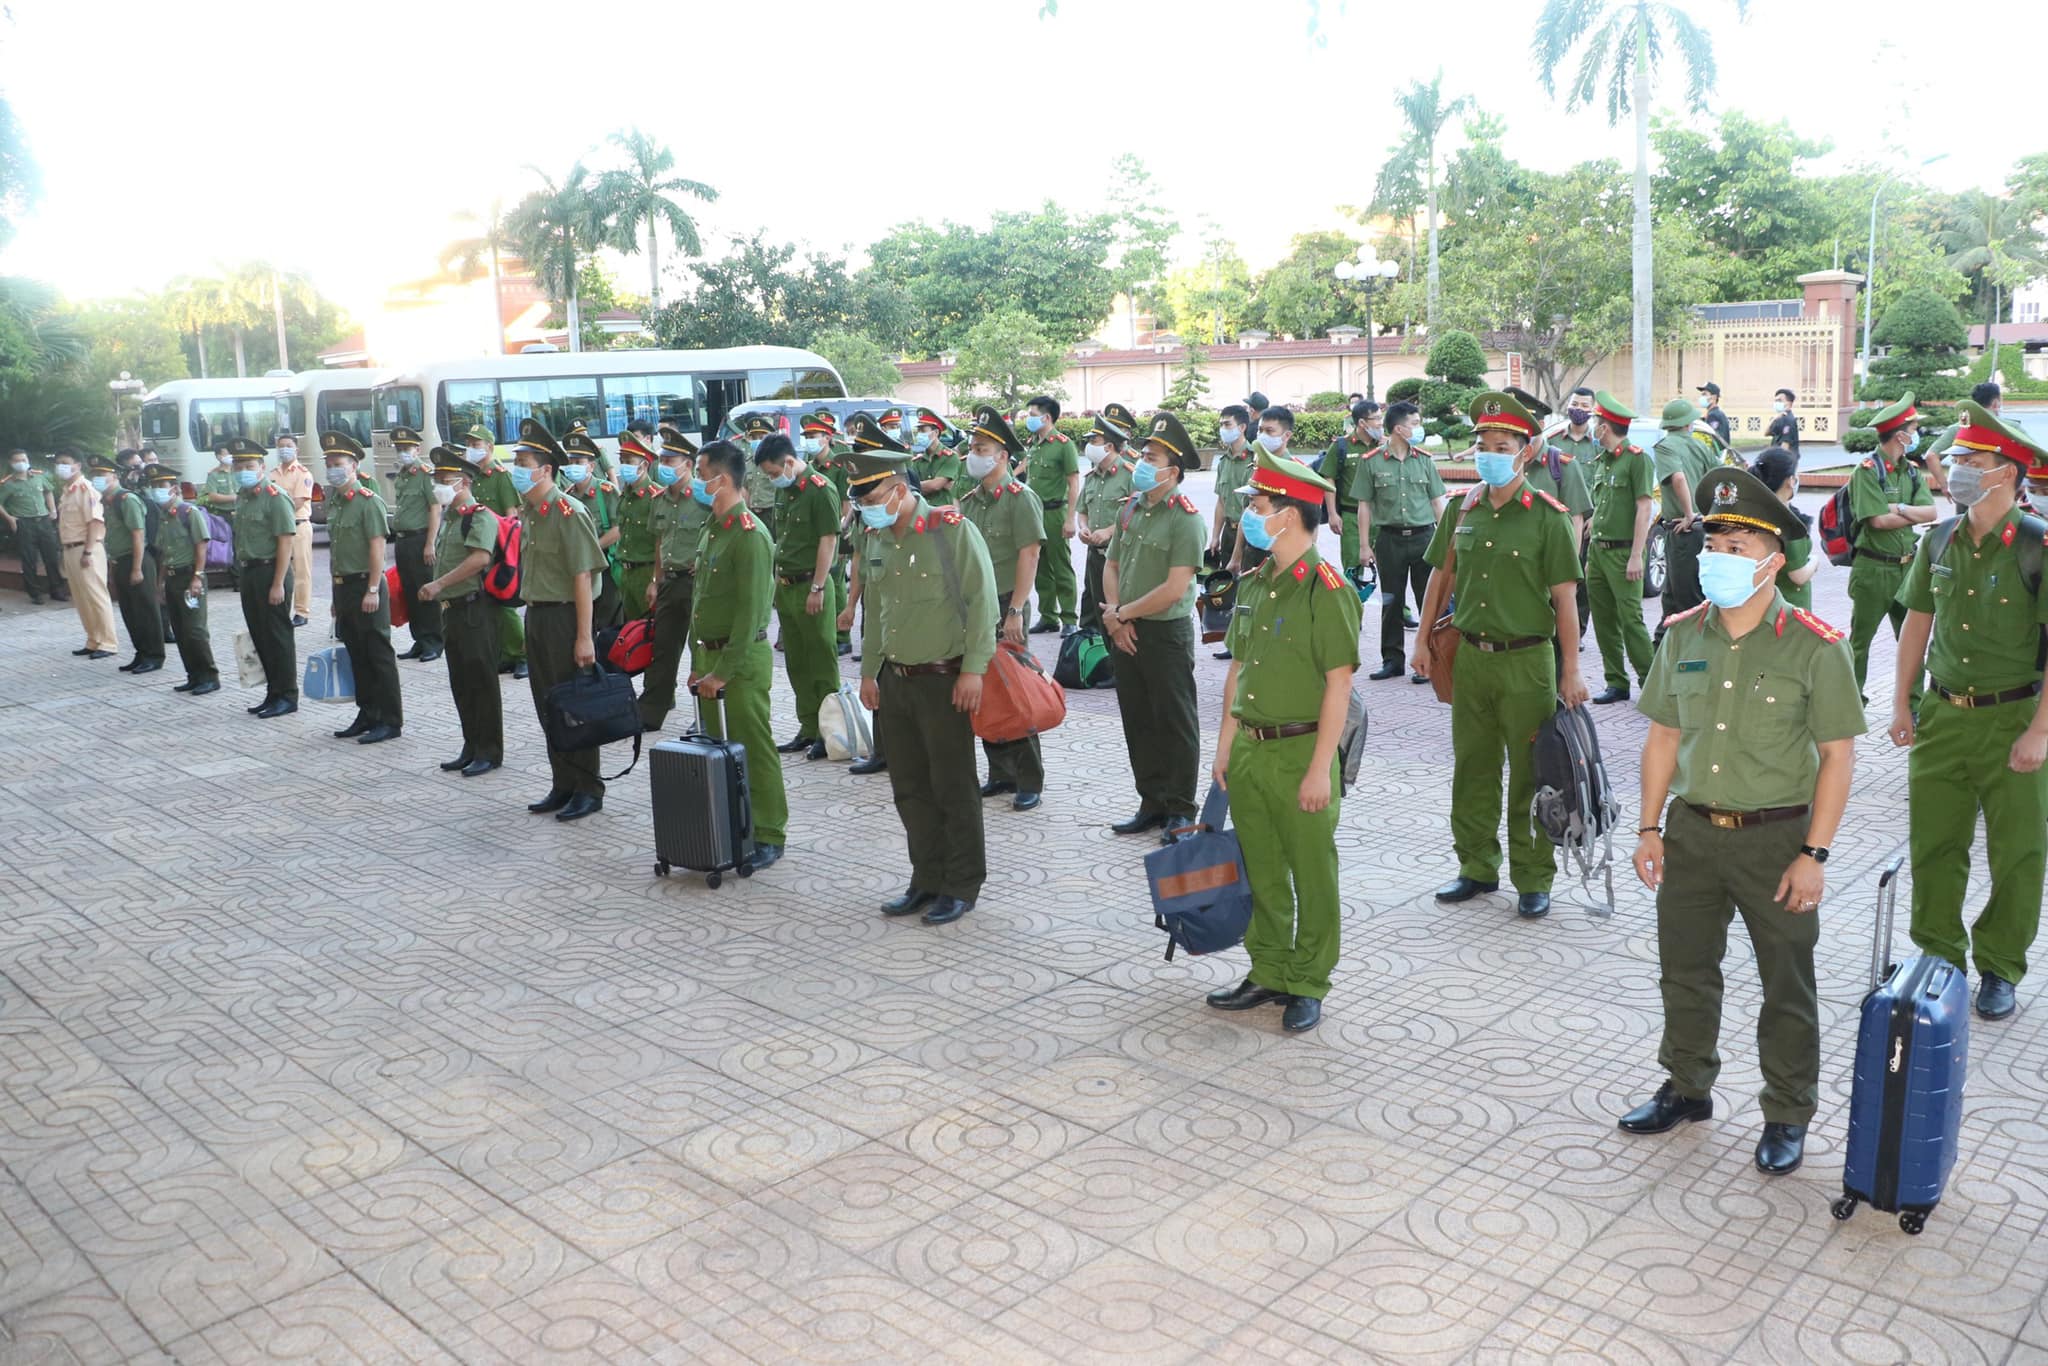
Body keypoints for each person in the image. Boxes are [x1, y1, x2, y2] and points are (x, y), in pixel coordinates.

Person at [1620, 465, 1862, 1178]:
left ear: (1775, 563)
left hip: (1776, 840)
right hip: (1692, 832)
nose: (1721, 559)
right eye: (1715, 544)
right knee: (1685, 972)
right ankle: (1688, 1086)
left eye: (1740, 549)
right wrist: (1647, 827)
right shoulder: (1682, 634)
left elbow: (1837, 758)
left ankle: (1787, 1112)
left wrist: (1814, 853)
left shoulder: (1814, 646)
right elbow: (1663, 737)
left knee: (1786, 981)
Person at [1890, 402, 2048, 1022]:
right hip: (1943, 715)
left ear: (2006, 473)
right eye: (1955, 459)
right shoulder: (1939, 537)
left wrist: (2041, 730)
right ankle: (1938, 953)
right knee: (1935, 843)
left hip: (2014, 721)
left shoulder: (2037, 547)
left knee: (2017, 852)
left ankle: (2001, 966)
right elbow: (1915, 625)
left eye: (1968, 461)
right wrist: (1903, 700)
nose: (1953, 470)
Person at [1204, 447, 1361, 1034]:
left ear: (1289, 515)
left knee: (1311, 872)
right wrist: (1224, 745)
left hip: (1302, 751)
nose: (1250, 515)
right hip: (1249, 747)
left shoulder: (1327, 587)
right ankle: (1267, 968)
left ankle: (1308, 979)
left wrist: (1323, 769)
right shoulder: (1257, 581)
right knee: (1262, 869)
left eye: (1259, 505)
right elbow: (1236, 670)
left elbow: (1338, 686)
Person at [1415, 391, 1589, 919]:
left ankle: (1534, 877)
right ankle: (1476, 867)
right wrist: (1421, 641)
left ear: (1526, 450)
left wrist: (1572, 670)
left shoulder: (1547, 517)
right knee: (1473, 767)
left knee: (1533, 774)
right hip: (1471, 658)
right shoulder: (1463, 510)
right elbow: (1439, 579)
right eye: (1483, 444)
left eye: (1503, 444)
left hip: (1527, 663)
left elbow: (1565, 600)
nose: (1490, 452)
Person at [847, 416, 1000, 926]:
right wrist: (869, 673)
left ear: (896, 489)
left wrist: (973, 671)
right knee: (910, 787)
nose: (866, 511)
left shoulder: (950, 530)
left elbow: (983, 605)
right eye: (861, 503)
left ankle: (960, 884)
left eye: (871, 501)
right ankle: (925, 878)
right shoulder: (878, 539)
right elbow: (878, 611)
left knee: (953, 785)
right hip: (896, 680)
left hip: (944, 678)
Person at [1102, 410, 1205, 838]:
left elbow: (1175, 587)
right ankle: (1152, 800)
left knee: (1174, 721)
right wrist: (1115, 616)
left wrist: (1122, 614)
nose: (1143, 462)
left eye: (1153, 457)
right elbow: (1111, 564)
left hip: (1165, 632)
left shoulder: (1186, 518)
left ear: (1173, 471)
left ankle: (1181, 807)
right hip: (1125, 629)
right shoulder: (1131, 509)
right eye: (1143, 453)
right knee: (1138, 718)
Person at [688, 439, 789, 872]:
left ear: (722, 479)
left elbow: (749, 616)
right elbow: (701, 601)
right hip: (711, 659)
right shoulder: (712, 529)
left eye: (700, 472)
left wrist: (724, 671)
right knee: (720, 748)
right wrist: (698, 664)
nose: (695, 481)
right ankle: (735, 826)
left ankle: (768, 832)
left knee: (753, 747)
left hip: (741, 662)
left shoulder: (750, 535)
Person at [509, 419, 608, 821]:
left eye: (523, 461)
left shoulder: (568, 511)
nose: (516, 468)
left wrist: (584, 637)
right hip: (538, 616)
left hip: (567, 618)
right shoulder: (532, 511)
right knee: (548, 703)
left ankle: (587, 786)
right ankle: (562, 782)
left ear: (545, 469)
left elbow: (582, 576)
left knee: (574, 706)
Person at [960, 406, 1049, 810]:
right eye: (971, 447)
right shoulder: (971, 501)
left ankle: (1028, 778)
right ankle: (999, 772)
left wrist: (1016, 610)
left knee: (1015, 689)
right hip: (975, 607)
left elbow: (1029, 555)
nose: (972, 454)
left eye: (981, 447)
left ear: (1001, 455)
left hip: (1005, 602)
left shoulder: (1020, 499)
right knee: (985, 689)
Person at [418, 445, 503, 777]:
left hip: (474, 607)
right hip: (452, 611)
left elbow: (480, 558)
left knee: (481, 681)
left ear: (463, 482)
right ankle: (471, 744)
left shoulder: (478, 515)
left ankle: (489, 750)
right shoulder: (451, 518)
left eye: (445, 479)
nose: (438, 484)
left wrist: (439, 584)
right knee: (461, 682)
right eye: (437, 478)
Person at [1846, 392, 1938, 701]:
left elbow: (1931, 512)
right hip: (1872, 569)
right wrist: (1908, 512)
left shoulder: (1911, 470)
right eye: (1913, 430)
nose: (1916, 435)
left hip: (1908, 567)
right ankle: (1851, 701)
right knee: (1861, 641)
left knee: (1912, 639)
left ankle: (1913, 703)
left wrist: (1896, 507)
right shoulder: (1867, 471)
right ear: (1900, 435)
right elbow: (1877, 522)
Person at [757, 432, 841, 761]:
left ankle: (829, 731)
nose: (771, 479)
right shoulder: (787, 492)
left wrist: (818, 586)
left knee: (821, 661)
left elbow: (828, 541)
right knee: (797, 662)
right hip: (788, 586)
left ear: (789, 462)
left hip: (812, 586)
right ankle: (807, 728)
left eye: (774, 473)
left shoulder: (821, 490)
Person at [1350, 399, 1444, 683]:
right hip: (1389, 541)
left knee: (1429, 601)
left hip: (1425, 539)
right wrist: (1365, 546)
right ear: (1399, 428)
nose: (1419, 429)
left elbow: (1438, 502)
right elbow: (1364, 505)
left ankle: (1430, 661)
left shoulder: (1425, 461)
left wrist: (1447, 542)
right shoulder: (1372, 462)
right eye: (1415, 424)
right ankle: (1392, 660)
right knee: (1391, 602)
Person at [317, 433, 404, 743]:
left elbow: (377, 547)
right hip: (344, 587)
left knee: (378, 653)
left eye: (338, 464)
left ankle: (390, 720)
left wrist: (372, 589)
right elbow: (336, 551)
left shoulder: (368, 501)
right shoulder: (337, 501)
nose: (332, 469)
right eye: (329, 464)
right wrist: (333, 594)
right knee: (356, 653)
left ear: (353, 466)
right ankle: (367, 713)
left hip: (366, 584)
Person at [1584, 391, 1658, 704]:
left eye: (1597, 422)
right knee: (1603, 621)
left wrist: (1636, 556)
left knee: (1631, 621)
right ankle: (1616, 682)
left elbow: (1645, 508)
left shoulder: (1637, 459)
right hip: (1599, 552)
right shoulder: (1603, 461)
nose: (1593, 427)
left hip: (1624, 554)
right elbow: (1603, 504)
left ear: (1606, 427)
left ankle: (1651, 685)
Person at [637, 429, 708, 733]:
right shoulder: (660, 499)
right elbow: (659, 541)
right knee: (662, 649)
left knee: (701, 649)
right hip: (669, 583)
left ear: (688, 464)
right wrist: (655, 579)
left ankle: (705, 716)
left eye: (670, 460)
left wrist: (703, 559)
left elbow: (719, 533)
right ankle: (651, 712)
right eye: (662, 459)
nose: (663, 465)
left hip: (698, 584)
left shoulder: (705, 497)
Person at [231, 438, 299, 717]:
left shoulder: (275, 497)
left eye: (249, 465)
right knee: (260, 635)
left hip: (272, 571)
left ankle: (287, 695)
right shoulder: (243, 497)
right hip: (250, 572)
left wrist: (277, 583)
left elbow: (285, 541)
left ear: (262, 467)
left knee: (278, 637)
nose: (243, 470)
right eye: (239, 466)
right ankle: (273, 692)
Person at [148, 464, 220, 696]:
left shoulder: (189, 513)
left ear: (174, 489)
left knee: (195, 630)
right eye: (154, 486)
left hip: (190, 577)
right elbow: (163, 554)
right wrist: (159, 583)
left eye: (162, 486)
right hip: (172, 579)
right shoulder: (163, 518)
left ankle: (209, 676)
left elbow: (201, 545)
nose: (157, 490)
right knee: (180, 630)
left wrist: (197, 577)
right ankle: (193, 675)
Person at [464, 423, 527, 680]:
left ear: (489, 447)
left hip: (500, 548)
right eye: (468, 445)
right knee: (489, 604)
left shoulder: (501, 476)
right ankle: (506, 654)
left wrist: (505, 551)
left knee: (506, 604)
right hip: (479, 545)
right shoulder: (472, 476)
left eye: (476, 445)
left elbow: (512, 516)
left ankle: (523, 655)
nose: (471, 449)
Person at [95, 453, 165, 675]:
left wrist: (136, 568)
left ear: (114, 476)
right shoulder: (108, 502)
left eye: (102, 474)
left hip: (137, 560)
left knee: (145, 610)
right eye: (94, 474)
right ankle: (141, 652)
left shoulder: (127, 500)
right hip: (121, 560)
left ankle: (154, 655)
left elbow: (138, 535)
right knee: (130, 611)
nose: (97, 478)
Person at [1018, 395, 1080, 636]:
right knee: (1040, 566)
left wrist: (1070, 518)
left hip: (1055, 512)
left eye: (1032, 416)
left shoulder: (1064, 445)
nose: (1028, 420)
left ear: (1046, 417)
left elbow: (1073, 483)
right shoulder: (1034, 444)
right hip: (1034, 513)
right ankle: (1048, 616)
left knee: (1061, 566)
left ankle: (1069, 618)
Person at [1652, 398, 1710, 639]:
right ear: (1688, 424)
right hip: (1701, 529)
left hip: (1682, 530)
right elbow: (1716, 479)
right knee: (1673, 598)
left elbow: (1677, 478)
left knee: (1687, 602)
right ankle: (1661, 653)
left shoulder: (1666, 447)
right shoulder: (1701, 446)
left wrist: (1689, 514)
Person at [1077, 406, 1137, 633]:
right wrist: (1083, 527)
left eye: (1094, 440)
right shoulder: (1092, 476)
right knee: (1093, 611)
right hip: (1095, 555)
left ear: (1109, 446)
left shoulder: (1130, 474)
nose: (1089, 445)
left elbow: (1136, 513)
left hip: (1119, 556)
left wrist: (1110, 531)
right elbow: (1082, 509)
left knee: (1118, 615)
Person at [386, 427, 444, 664]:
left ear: (417, 449)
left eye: (406, 449)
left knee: (426, 591)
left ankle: (434, 641)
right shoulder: (402, 474)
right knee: (410, 591)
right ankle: (419, 640)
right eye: (399, 449)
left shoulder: (424, 473)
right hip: (403, 540)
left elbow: (435, 508)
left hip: (421, 539)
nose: (402, 453)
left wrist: (430, 543)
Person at [52, 450, 117, 658]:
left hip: (87, 548)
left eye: (66, 462)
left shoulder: (85, 489)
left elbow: (95, 522)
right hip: (70, 548)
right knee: (81, 598)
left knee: (96, 595)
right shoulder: (67, 491)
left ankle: (108, 642)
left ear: (78, 465)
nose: (61, 466)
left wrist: (88, 552)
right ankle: (93, 639)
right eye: (58, 463)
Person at [560, 429, 623, 630]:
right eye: (570, 462)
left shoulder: (606, 491)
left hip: (604, 566)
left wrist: (592, 548)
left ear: (591, 466)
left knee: (608, 628)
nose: (573, 467)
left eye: (578, 463)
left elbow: (618, 528)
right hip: (577, 569)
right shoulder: (566, 496)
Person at [1748, 447, 1817, 610]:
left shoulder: (1754, 513)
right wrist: (1814, 561)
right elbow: (1798, 576)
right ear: (1790, 481)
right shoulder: (1789, 522)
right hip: (1789, 607)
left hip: (1760, 603)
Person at [611, 429, 663, 622]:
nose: (624, 466)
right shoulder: (625, 495)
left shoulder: (656, 497)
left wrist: (655, 581)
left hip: (646, 573)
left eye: (629, 461)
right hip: (626, 573)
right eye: (622, 461)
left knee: (650, 634)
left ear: (644, 465)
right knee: (632, 634)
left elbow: (661, 541)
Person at [2, 448, 61, 604]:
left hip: (43, 521)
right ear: (11, 463)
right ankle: (35, 593)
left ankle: (56, 590)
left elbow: (48, 492)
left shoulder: (39, 477)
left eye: (24, 459)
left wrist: (53, 510)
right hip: (24, 523)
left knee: (52, 556)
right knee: (29, 559)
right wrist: (9, 518)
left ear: (28, 461)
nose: (21, 463)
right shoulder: (7, 484)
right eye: (17, 460)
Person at [271, 432, 315, 626]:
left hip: (298, 526)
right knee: (280, 569)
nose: (284, 449)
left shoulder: (303, 474)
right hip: (278, 529)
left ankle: (301, 611)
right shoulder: (273, 474)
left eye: (288, 445)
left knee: (301, 570)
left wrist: (276, 510)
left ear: (296, 449)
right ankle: (282, 608)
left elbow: (297, 502)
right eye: (281, 446)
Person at [736, 414, 781, 541]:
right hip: (753, 514)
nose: (757, 441)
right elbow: (744, 488)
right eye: (754, 437)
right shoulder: (748, 463)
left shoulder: (778, 463)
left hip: (772, 514)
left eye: (762, 437)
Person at [909, 407, 963, 507]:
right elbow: (911, 487)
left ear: (936, 433)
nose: (919, 434)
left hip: (944, 512)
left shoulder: (950, 457)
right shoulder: (918, 461)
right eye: (918, 430)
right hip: (923, 512)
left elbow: (935, 486)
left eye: (923, 430)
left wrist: (915, 486)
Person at [201, 443, 240, 513]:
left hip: (240, 511)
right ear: (219, 457)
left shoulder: (239, 472)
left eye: (231, 453)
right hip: (223, 513)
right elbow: (213, 497)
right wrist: (234, 497)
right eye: (227, 454)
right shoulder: (213, 475)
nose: (231, 456)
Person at [1695, 381, 1732, 447]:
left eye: (1704, 394)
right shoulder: (1716, 413)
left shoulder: (1713, 415)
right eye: (1702, 394)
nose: (1702, 397)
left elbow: (1713, 440)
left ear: (1714, 397)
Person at [1766, 388, 1800, 454]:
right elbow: (1766, 433)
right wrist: (1774, 419)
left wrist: (1778, 461)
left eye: (1779, 401)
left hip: (1784, 460)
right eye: (1775, 401)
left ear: (1789, 403)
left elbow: (1785, 445)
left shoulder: (1788, 420)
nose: (1776, 403)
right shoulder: (1779, 418)